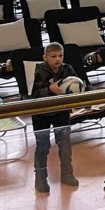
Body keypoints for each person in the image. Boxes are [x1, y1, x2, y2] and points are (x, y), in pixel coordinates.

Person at [31, 42, 79, 192]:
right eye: (53, 56)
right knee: (42, 147)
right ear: (45, 57)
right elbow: (34, 94)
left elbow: (78, 83)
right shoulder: (39, 70)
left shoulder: (68, 69)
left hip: (61, 112)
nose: (57, 59)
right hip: (41, 114)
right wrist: (49, 89)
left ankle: (67, 174)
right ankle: (40, 179)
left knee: (65, 145)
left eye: (60, 56)